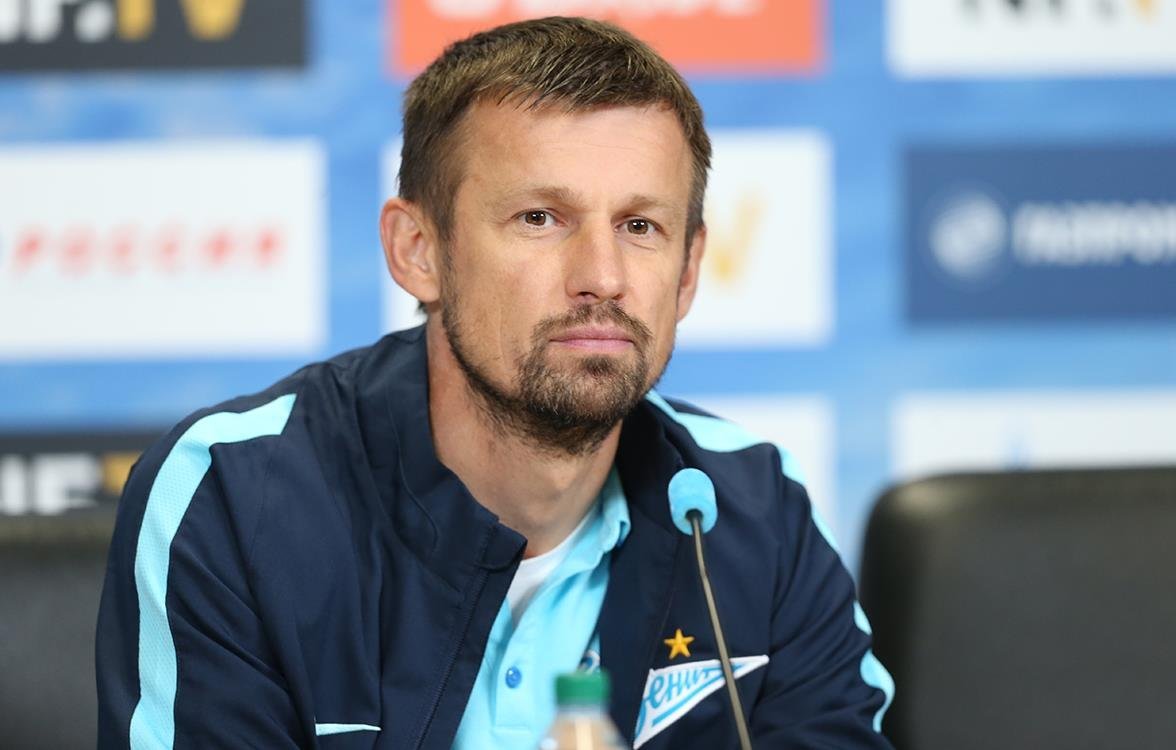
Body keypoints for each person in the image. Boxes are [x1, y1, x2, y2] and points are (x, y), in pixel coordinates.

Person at [96, 16, 894, 750]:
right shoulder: (237, 499)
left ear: (687, 272)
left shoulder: (752, 514)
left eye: (640, 226)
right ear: (418, 250)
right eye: (540, 218)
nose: (603, 276)